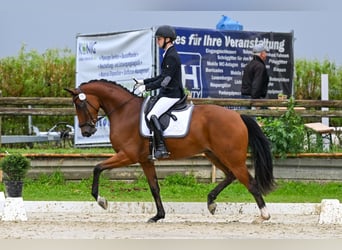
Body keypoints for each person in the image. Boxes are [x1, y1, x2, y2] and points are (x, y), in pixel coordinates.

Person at [134, 25, 185, 159]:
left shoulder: (172, 56)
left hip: (172, 94)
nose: (157, 41)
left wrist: (147, 88)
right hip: (167, 93)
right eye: (157, 39)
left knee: (152, 115)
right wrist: (143, 82)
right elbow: (161, 76)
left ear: (168, 39)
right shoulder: (168, 54)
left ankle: (161, 148)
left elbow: (164, 81)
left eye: (159, 39)